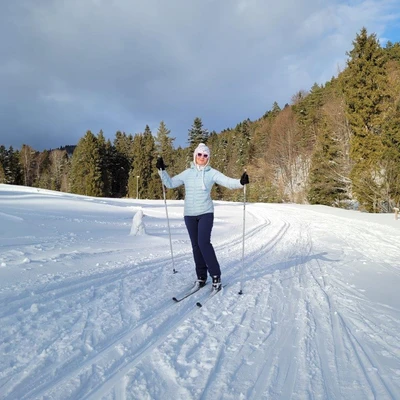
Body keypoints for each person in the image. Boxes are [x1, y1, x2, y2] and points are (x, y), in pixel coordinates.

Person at [156, 143, 249, 291]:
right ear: (195, 156)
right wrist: (162, 171)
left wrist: (240, 182)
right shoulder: (187, 173)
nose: (202, 158)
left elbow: (227, 182)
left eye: (205, 155)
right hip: (189, 215)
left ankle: (216, 276)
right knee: (195, 246)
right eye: (199, 154)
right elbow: (171, 184)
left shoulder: (211, 173)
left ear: (208, 158)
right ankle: (201, 276)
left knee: (203, 243)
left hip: (206, 213)